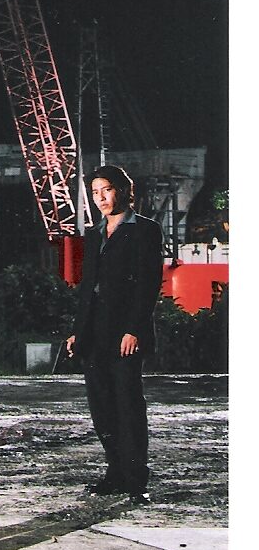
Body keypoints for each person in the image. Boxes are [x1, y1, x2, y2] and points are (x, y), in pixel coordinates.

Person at [66, 165, 163, 505]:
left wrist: (134, 329)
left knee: (127, 403)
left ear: (122, 190)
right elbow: (87, 289)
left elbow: (148, 284)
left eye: (106, 189)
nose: (101, 198)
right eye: (95, 193)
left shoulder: (145, 230)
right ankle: (115, 472)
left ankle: (135, 477)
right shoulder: (94, 234)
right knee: (102, 406)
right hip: (94, 333)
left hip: (125, 333)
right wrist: (78, 332)